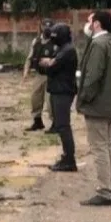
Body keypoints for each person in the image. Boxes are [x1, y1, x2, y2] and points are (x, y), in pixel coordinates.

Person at [76, 11, 111, 206]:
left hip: (98, 105)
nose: (87, 25)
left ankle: (105, 191)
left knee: (99, 148)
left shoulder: (98, 45)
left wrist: (84, 98)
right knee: (107, 147)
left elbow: (93, 76)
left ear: (96, 24)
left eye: (90, 21)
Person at [40, 23, 78, 172]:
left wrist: (48, 63)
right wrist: (48, 63)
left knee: (63, 126)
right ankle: (67, 157)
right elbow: (48, 65)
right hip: (59, 90)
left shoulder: (67, 50)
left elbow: (51, 67)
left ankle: (69, 160)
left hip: (63, 92)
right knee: (61, 126)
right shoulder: (63, 49)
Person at [24, 19, 57, 131]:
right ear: (41, 27)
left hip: (52, 75)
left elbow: (60, 58)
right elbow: (30, 57)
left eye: (49, 26)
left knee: (50, 101)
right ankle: (37, 121)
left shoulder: (56, 42)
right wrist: (26, 71)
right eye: (44, 26)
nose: (47, 29)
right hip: (39, 74)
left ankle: (55, 123)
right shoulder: (36, 41)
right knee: (35, 98)